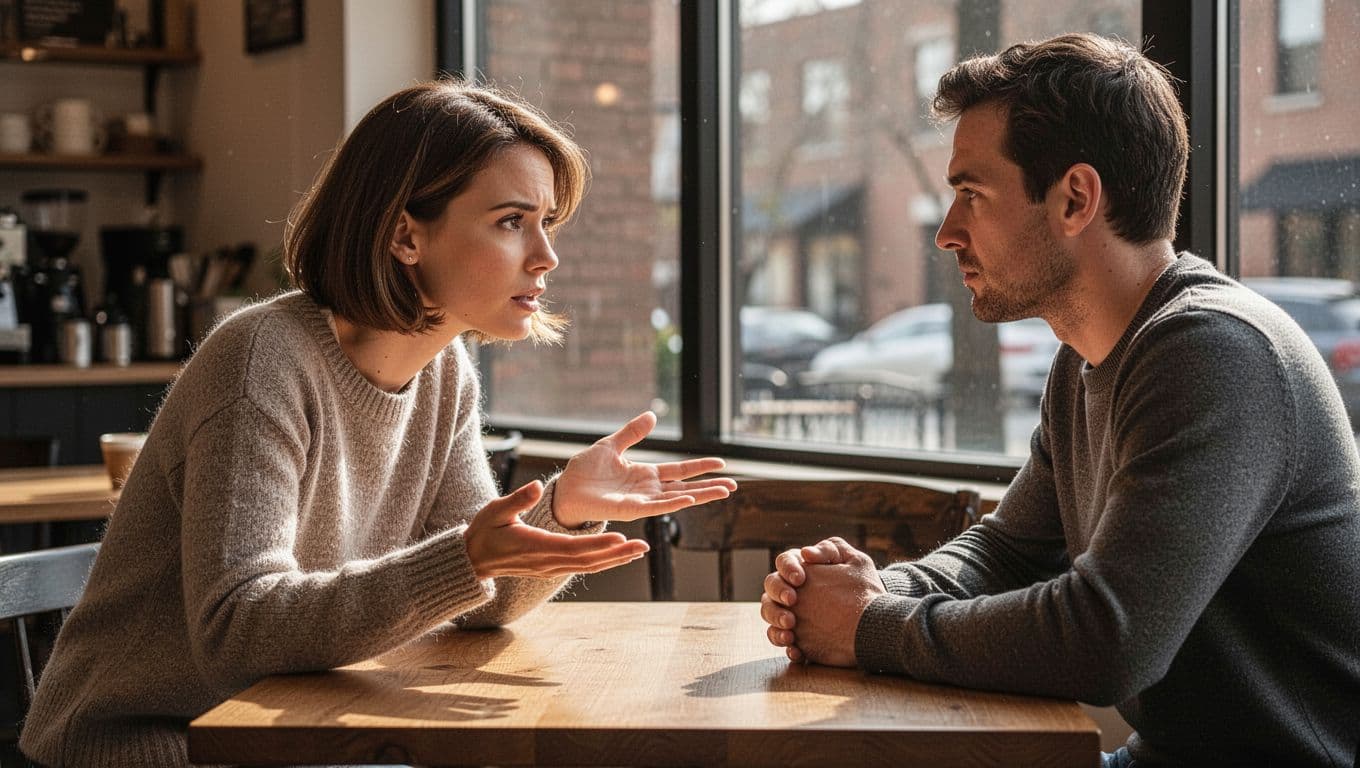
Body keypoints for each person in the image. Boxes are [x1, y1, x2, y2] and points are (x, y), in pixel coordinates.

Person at [20, 80, 737, 767]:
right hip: (152, 746)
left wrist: (562, 509)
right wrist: (468, 558)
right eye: (511, 222)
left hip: (295, 732)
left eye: (545, 223)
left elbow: (480, 598)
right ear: (404, 237)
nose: (546, 256)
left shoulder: (444, 373)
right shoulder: (261, 361)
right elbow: (238, 629)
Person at [760, 33, 1360, 767]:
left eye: (972, 195)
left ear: (1075, 198)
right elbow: (1009, 550)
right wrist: (866, 591)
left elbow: (1108, 639)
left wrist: (868, 625)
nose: (947, 233)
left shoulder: (1215, 352)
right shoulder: (1086, 357)